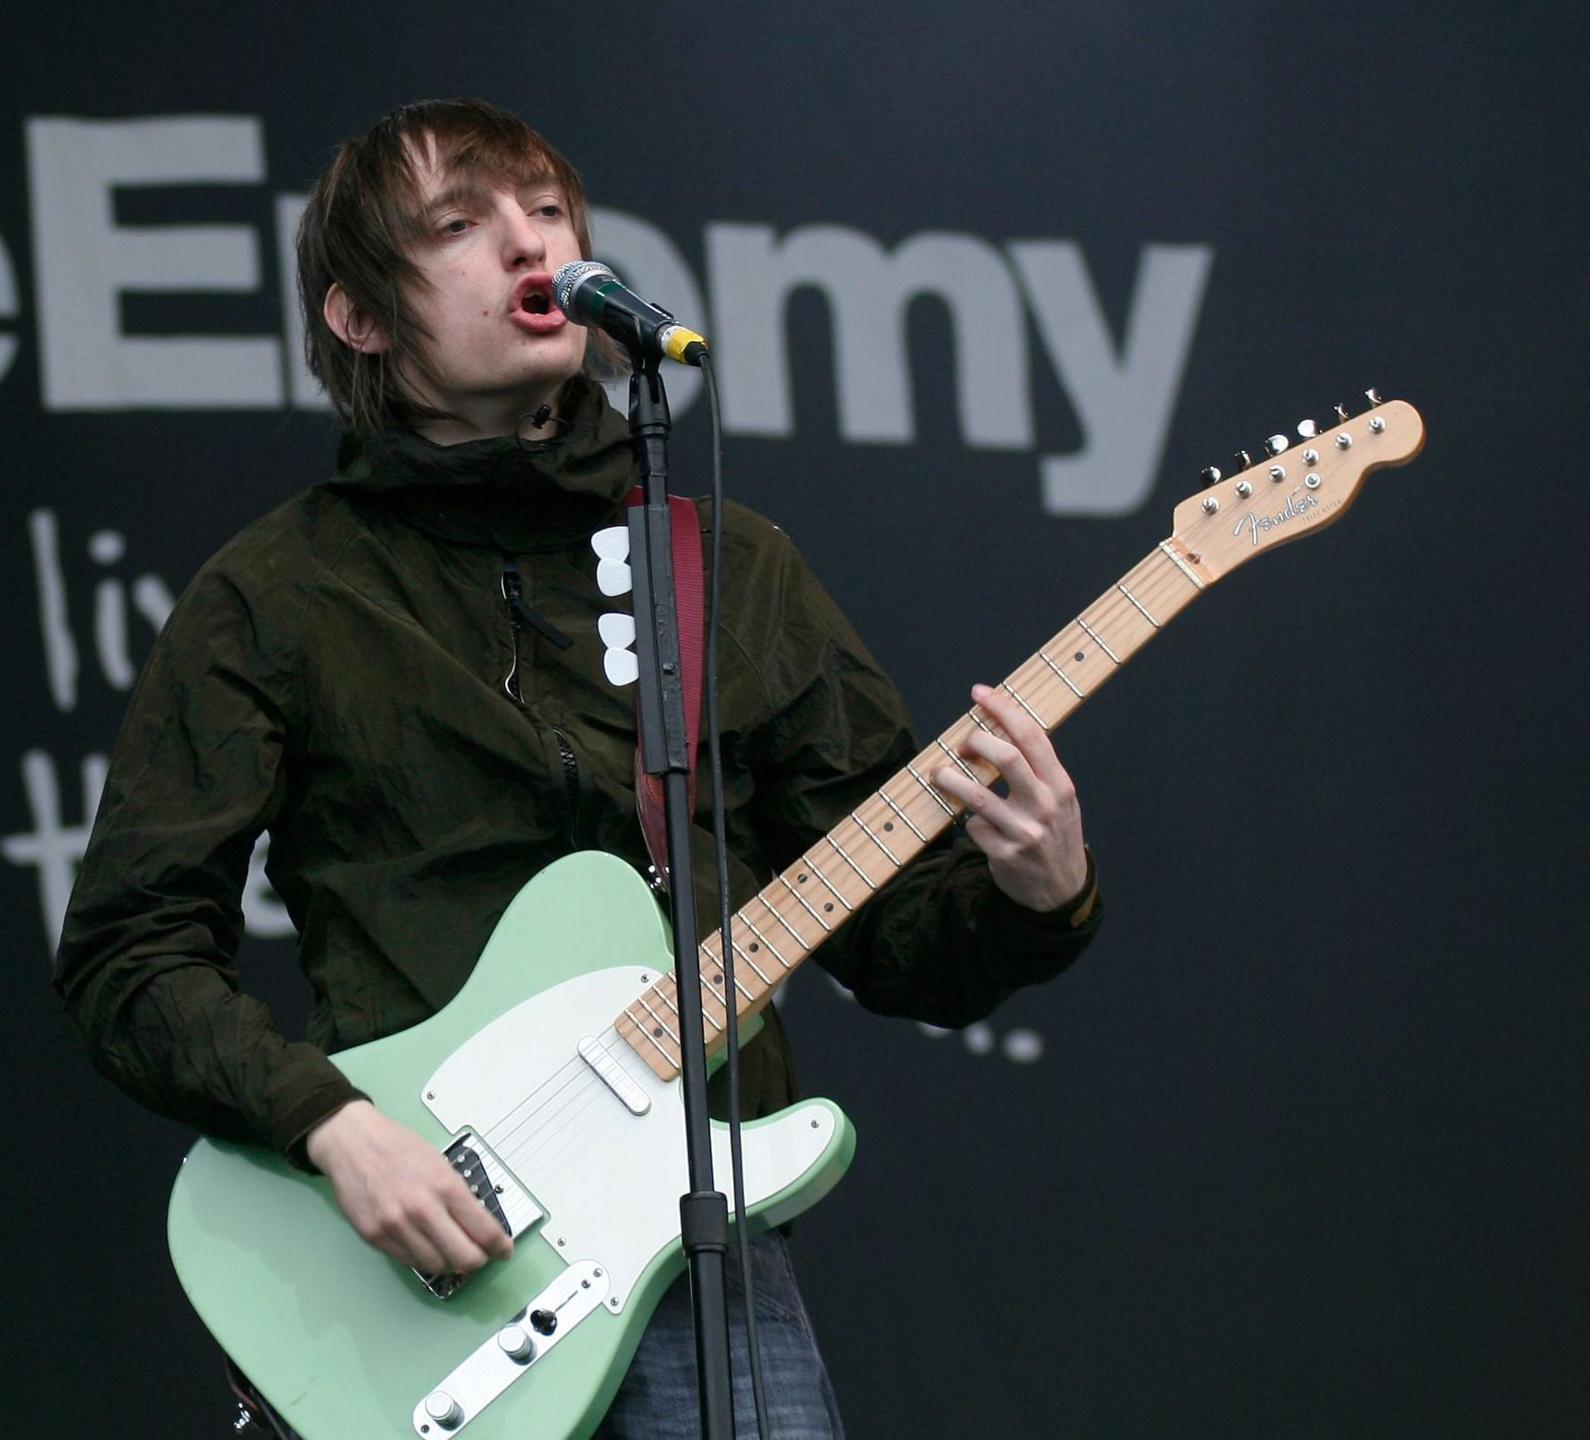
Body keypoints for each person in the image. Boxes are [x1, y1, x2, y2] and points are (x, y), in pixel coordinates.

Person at [53, 97, 1103, 1439]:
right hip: (404, 1262)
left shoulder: (729, 566)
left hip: (693, 1258)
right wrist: (328, 1125)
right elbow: (128, 953)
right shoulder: (278, 594)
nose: (527, 244)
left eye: (546, 213)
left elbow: (899, 943)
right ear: (360, 318)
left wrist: (1037, 892)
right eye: (460, 225)